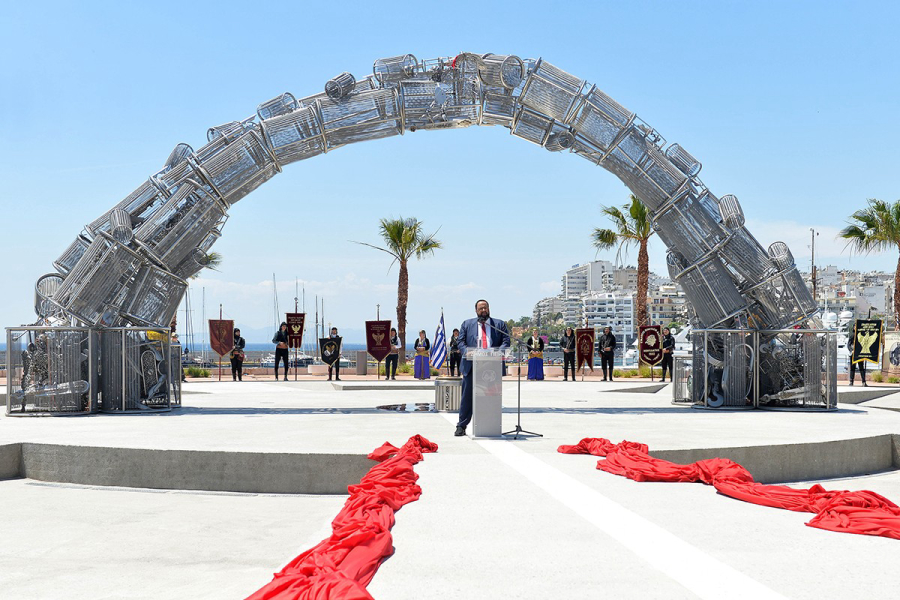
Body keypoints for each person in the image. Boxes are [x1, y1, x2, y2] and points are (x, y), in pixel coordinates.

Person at [455, 299, 510, 436]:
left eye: (485, 308)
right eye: (481, 308)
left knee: (491, 394)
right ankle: (462, 426)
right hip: (472, 365)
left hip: (492, 366)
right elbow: (460, 342)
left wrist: (497, 352)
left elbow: (506, 341)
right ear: (476, 310)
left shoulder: (499, 324)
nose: (484, 310)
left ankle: (490, 424)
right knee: (467, 397)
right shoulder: (467, 324)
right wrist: (467, 350)